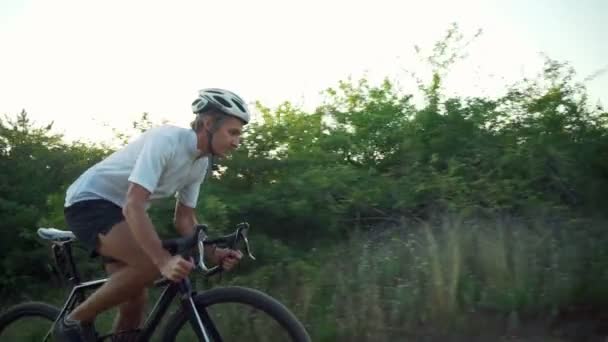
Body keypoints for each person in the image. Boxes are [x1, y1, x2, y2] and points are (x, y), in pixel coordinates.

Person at [53, 88, 249, 342]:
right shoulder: (166, 140)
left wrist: (214, 252)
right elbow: (134, 205)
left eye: (239, 134)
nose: (237, 141)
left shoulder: (199, 163)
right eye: (232, 132)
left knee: (136, 297)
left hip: (121, 210)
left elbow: (185, 219)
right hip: (89, 203)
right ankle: (72, 323)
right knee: (149, 266)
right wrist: (162, 261)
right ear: (208, 123)